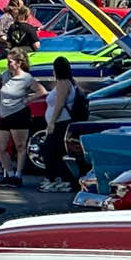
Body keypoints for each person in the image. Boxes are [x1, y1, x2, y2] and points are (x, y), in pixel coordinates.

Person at [0, 53, 43, 185]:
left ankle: (18, 175)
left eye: (10, 62)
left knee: (20, 146)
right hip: (5, 114)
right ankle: (9, 173)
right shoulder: (6, 76)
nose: (8, 65)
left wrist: (27, 99)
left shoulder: (26, 78)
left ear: (19, 63)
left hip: (19, 113)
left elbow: (41, 91)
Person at [40, 54, 80, 191]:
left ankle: (58, 179)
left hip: (61, 122)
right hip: (60, 122)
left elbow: (59, 104)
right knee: (55, 151)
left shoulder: (63, 83)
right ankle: (57, 178)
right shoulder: (68, 82)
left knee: (49, 150)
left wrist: (51, 122)